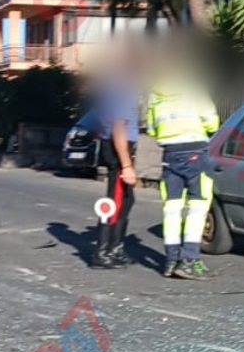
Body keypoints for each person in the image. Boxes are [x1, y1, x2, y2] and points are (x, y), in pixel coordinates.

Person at [145, 66, 220, 280]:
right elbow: (211, 121)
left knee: (172, 208)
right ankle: (190, 260)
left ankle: (170, 260)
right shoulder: (194, 89)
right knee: (198, 206)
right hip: (196, 151)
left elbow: (151, 129)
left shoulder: (154, 95)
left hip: (170, 155)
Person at [90, 59, 141, 270]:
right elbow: (118, 128)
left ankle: (116, 248)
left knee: (126, 200)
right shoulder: (122, 90)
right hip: (120, 148)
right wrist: (127, 165)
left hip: (113, 147)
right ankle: (103, 252)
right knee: (117, 201)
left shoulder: (110, 90)